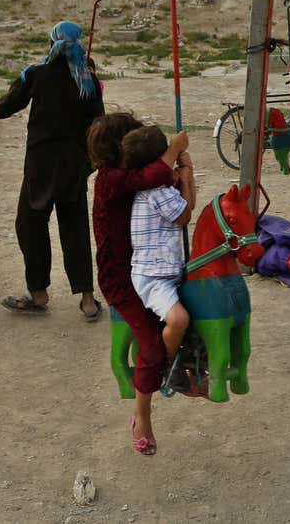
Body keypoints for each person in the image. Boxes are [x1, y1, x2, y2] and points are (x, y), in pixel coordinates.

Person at [88, 112, 190, 456]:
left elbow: (162, 186)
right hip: (122, 279)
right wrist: (173, 149)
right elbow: (154, 173)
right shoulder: (110, 179)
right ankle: (142, 416)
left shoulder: (129, 176)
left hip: (154, 266)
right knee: (151, 345)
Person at [0, 22, 106, 320]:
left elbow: (2, 109)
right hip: (74, 165)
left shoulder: (37, 74)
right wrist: (90, 163)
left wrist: (10, 91)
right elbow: (99, 124)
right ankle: (88, 299)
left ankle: (38, 292)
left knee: (29, 225)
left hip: (41, 165)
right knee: (75, 229)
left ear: (52, 43)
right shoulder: (88, 80)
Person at [123, 126, 197, 447]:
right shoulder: (155, 191)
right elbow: (184, 215)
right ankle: (167, 366)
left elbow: (187, 209)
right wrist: (182, 174)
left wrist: (187, 174)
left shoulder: (160, 187)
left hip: (168, 271)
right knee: (178, 319)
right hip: (153, 278)